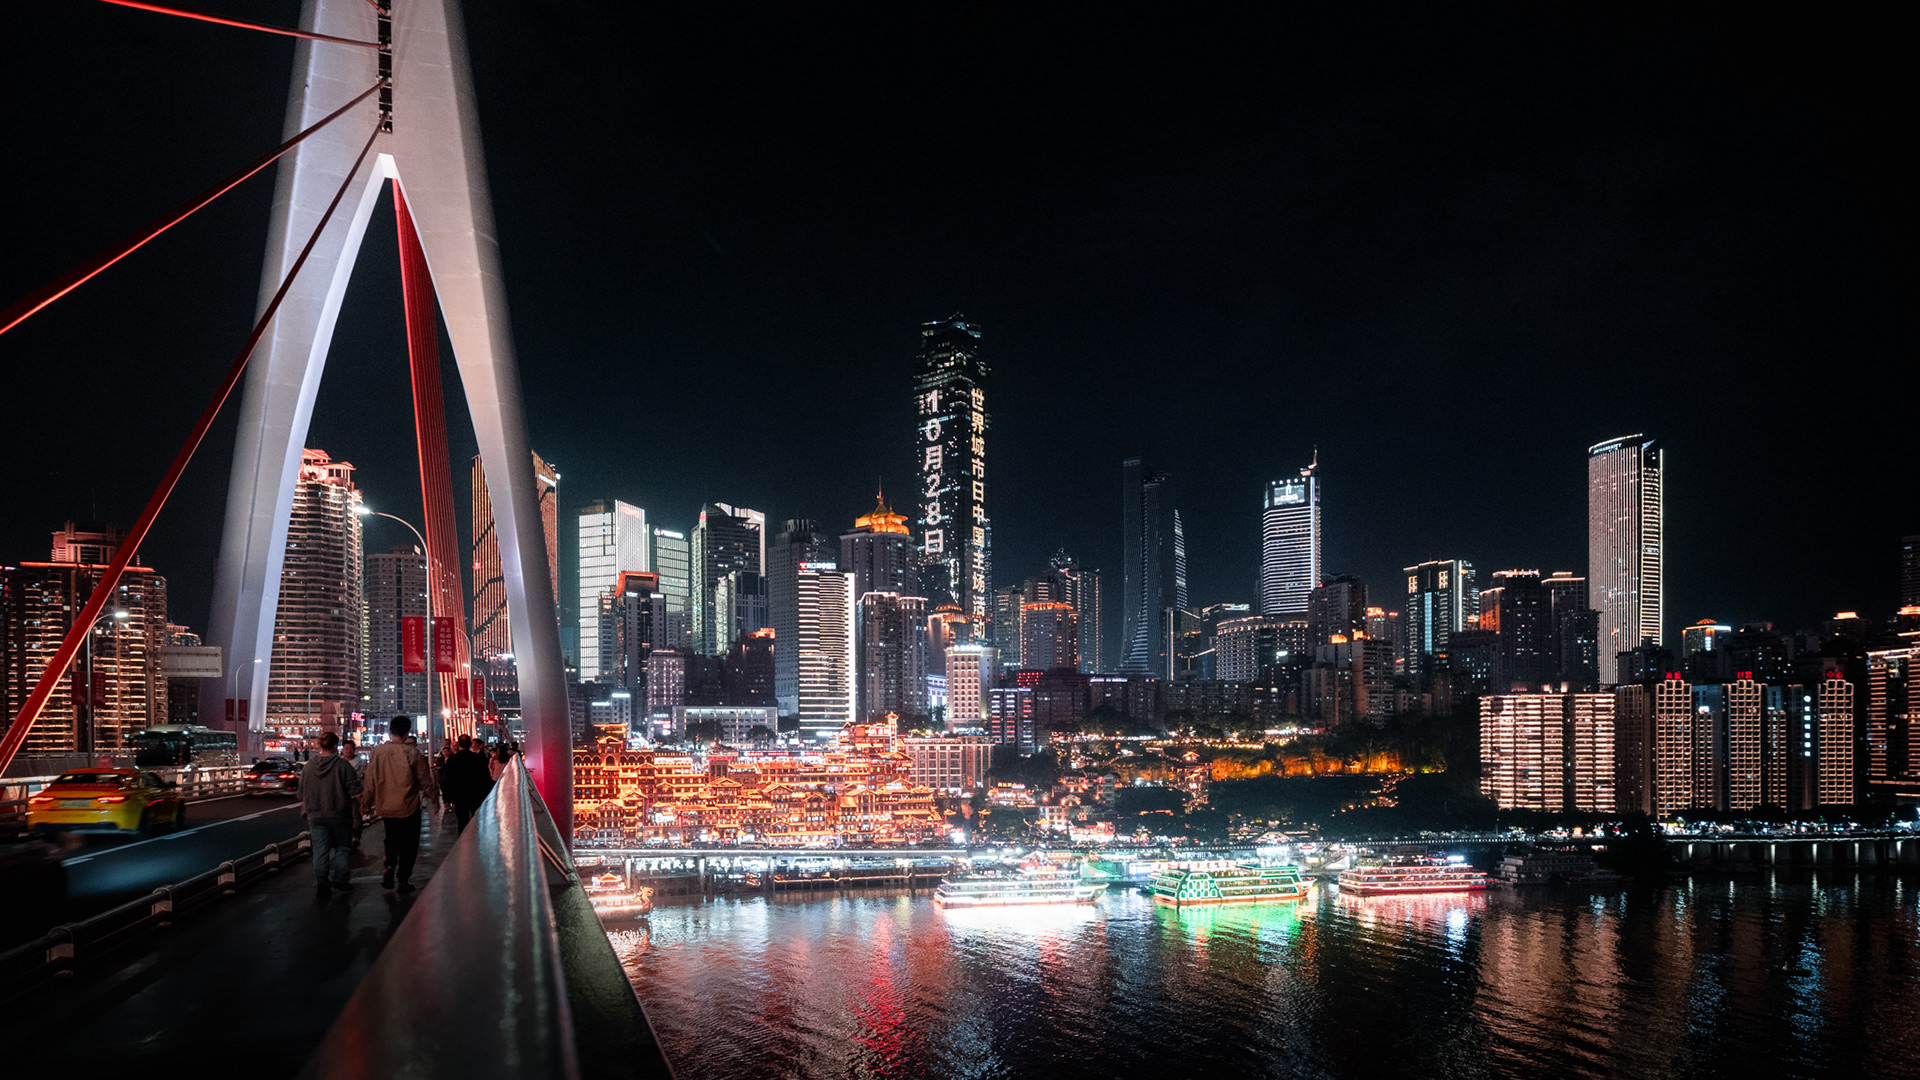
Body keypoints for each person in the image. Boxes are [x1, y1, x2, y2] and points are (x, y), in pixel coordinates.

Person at [362, 715, 438, 892]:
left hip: (386, 807)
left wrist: (365, 802)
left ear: (390, 730)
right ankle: (403, 879)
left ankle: (389, 865)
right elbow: (424, 779)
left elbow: (369, 780)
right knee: (409, 844)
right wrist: (434, 799)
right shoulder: (412, 753)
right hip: (408, 806)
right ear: (407, 732)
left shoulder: (377, 752)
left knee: (391, 840)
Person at [300, 731, 361, 898]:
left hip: (316, 816)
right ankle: (340, 880)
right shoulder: (343, 766)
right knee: (341, 848)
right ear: (336, 746)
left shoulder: (309, 767)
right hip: (339, 813)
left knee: (320, 850)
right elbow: (355, 789)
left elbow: (301, 792)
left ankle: (322, 882)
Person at [440, 733, 493, 833]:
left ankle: (462, 843)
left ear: (458, 744)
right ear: (470, 744)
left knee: (462, 821)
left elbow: (447, 779)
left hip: (459, 795)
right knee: (476, 820)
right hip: (476, 794)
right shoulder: (477, 759)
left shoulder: (453, 760)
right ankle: (475, 841)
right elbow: (485, 777)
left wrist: (446, 798)